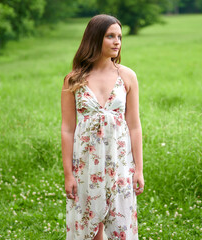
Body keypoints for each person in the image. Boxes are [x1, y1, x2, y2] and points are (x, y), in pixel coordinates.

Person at [61, 14, 144, 240]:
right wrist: (69, 174)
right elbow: (67, 129)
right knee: (91, 228)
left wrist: (139, 169)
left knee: (119, 226)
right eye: (110, 36)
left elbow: (134, 126)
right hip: (86, 164)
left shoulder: (127, 76)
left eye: (119, 36)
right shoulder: (74, 79)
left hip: (119, 163)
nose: (117, 42)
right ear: (95, 38)